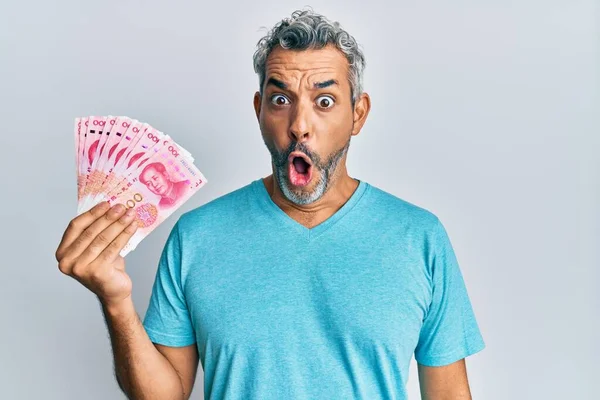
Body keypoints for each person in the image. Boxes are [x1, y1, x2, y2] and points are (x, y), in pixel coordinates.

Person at [55, 8, 485, 400]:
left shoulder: (418, 237)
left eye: (324, 101)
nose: (300, 125)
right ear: (260, 110)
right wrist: (115, 301)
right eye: (281, 100)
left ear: (358, 114)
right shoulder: (197, 235)